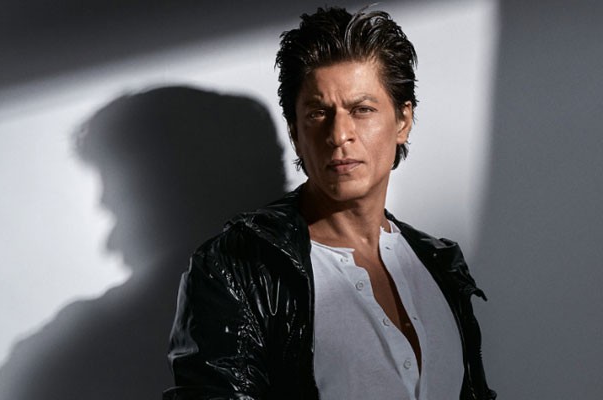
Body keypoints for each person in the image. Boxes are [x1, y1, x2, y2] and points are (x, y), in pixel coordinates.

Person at [164, 7, 495, 400]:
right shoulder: (237, 270)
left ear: (402, 121)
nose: (339, 135)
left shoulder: (440, 264)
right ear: (295, 133)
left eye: (362, 110)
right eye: (318, 113)